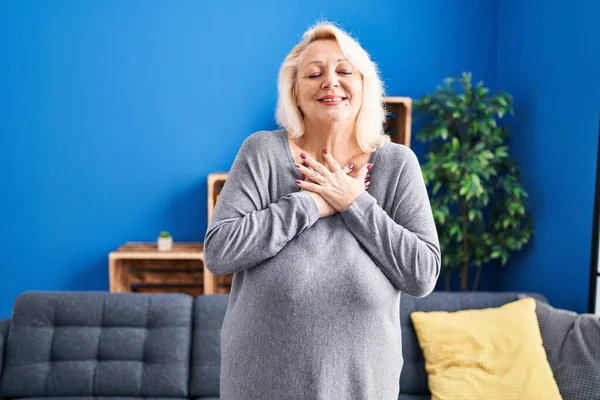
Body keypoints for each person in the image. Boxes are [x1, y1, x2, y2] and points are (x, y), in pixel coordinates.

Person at [203, 21, 441, 400]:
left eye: (344, 71)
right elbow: (219, 252)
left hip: (363, 387)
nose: (330, 81)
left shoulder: (398, 165)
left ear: (364, 86)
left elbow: (422, 275)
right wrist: (312, 203)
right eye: (314, 74)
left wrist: (353, 202)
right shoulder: (261, 152)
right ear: (294, 92)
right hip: (260, 384)